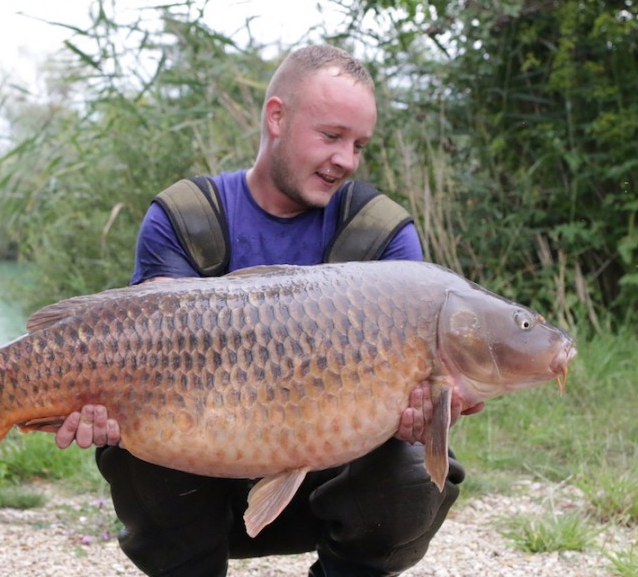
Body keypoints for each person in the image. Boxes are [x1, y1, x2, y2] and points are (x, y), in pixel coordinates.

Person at [55, 44, 484, 577]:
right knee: (133, 445)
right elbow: (145, 349)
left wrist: (427, 412)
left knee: (415, 472)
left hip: (326, 487)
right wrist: (96, 398)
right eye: (331, 136)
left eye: (358, 144)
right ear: (276, 117)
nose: (346, 160)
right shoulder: (185, 216)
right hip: (203, 479)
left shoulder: (383, 236)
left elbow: (417, 399)